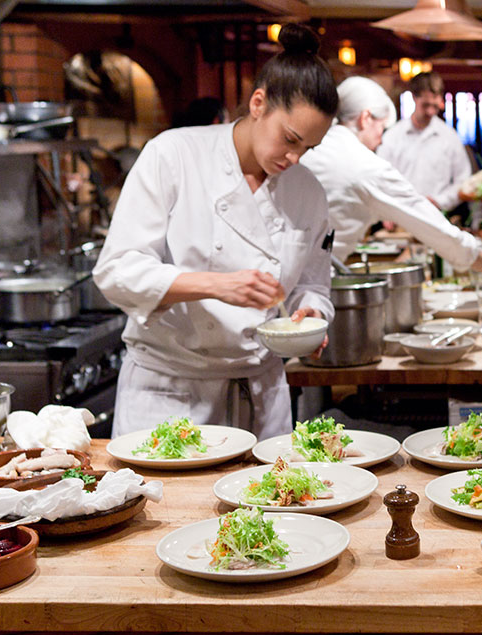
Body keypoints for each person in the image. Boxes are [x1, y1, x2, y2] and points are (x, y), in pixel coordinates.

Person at [93, 23, 338, 440]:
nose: (295, 158)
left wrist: (310, 313)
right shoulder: (173, 155)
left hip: (262, 394)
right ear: (258, 103)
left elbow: (313, 282)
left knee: (274, 504)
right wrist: (215, 285)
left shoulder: (307, 189)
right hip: (171, 394)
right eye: (290, 139)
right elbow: (117, 271)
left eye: (308, 149)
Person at [300, 76, 482, 290]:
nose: (381, 137)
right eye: (381, 127)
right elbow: (444, 238)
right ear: (365, 118)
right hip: (312, 284)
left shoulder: (310, 149)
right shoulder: (366, 165)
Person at [377, 72, 473, 213]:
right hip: (400, 215)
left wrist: (440, 201)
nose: (430, 112)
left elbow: (463, 180)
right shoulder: (393, 136)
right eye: (425, 105)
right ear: (414, 98)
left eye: (435, 106)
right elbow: (380, 178)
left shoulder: (450, 136)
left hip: (439, 215)